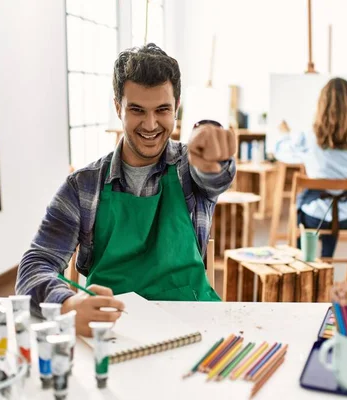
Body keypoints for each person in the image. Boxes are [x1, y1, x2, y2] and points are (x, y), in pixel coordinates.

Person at [17, 44, 236, 336]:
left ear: (177, 107)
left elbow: (214, 177)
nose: (150, 124)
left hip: (194, 324)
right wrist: (69, 305)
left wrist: (213, 157)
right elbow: (34, 266)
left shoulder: (188, 169)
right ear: (118, 107)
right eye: (136, 110)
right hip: (114, 329)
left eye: (162, 110)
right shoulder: (83, 186)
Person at [274, 77, 347, 257]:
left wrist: (285, 134)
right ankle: (327, 261)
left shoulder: (308, 138)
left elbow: (280, 152)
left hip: (313, 217)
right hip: (346, 219)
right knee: (335, 207)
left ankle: (302, 264)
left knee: (305, 213)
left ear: (322, 105)